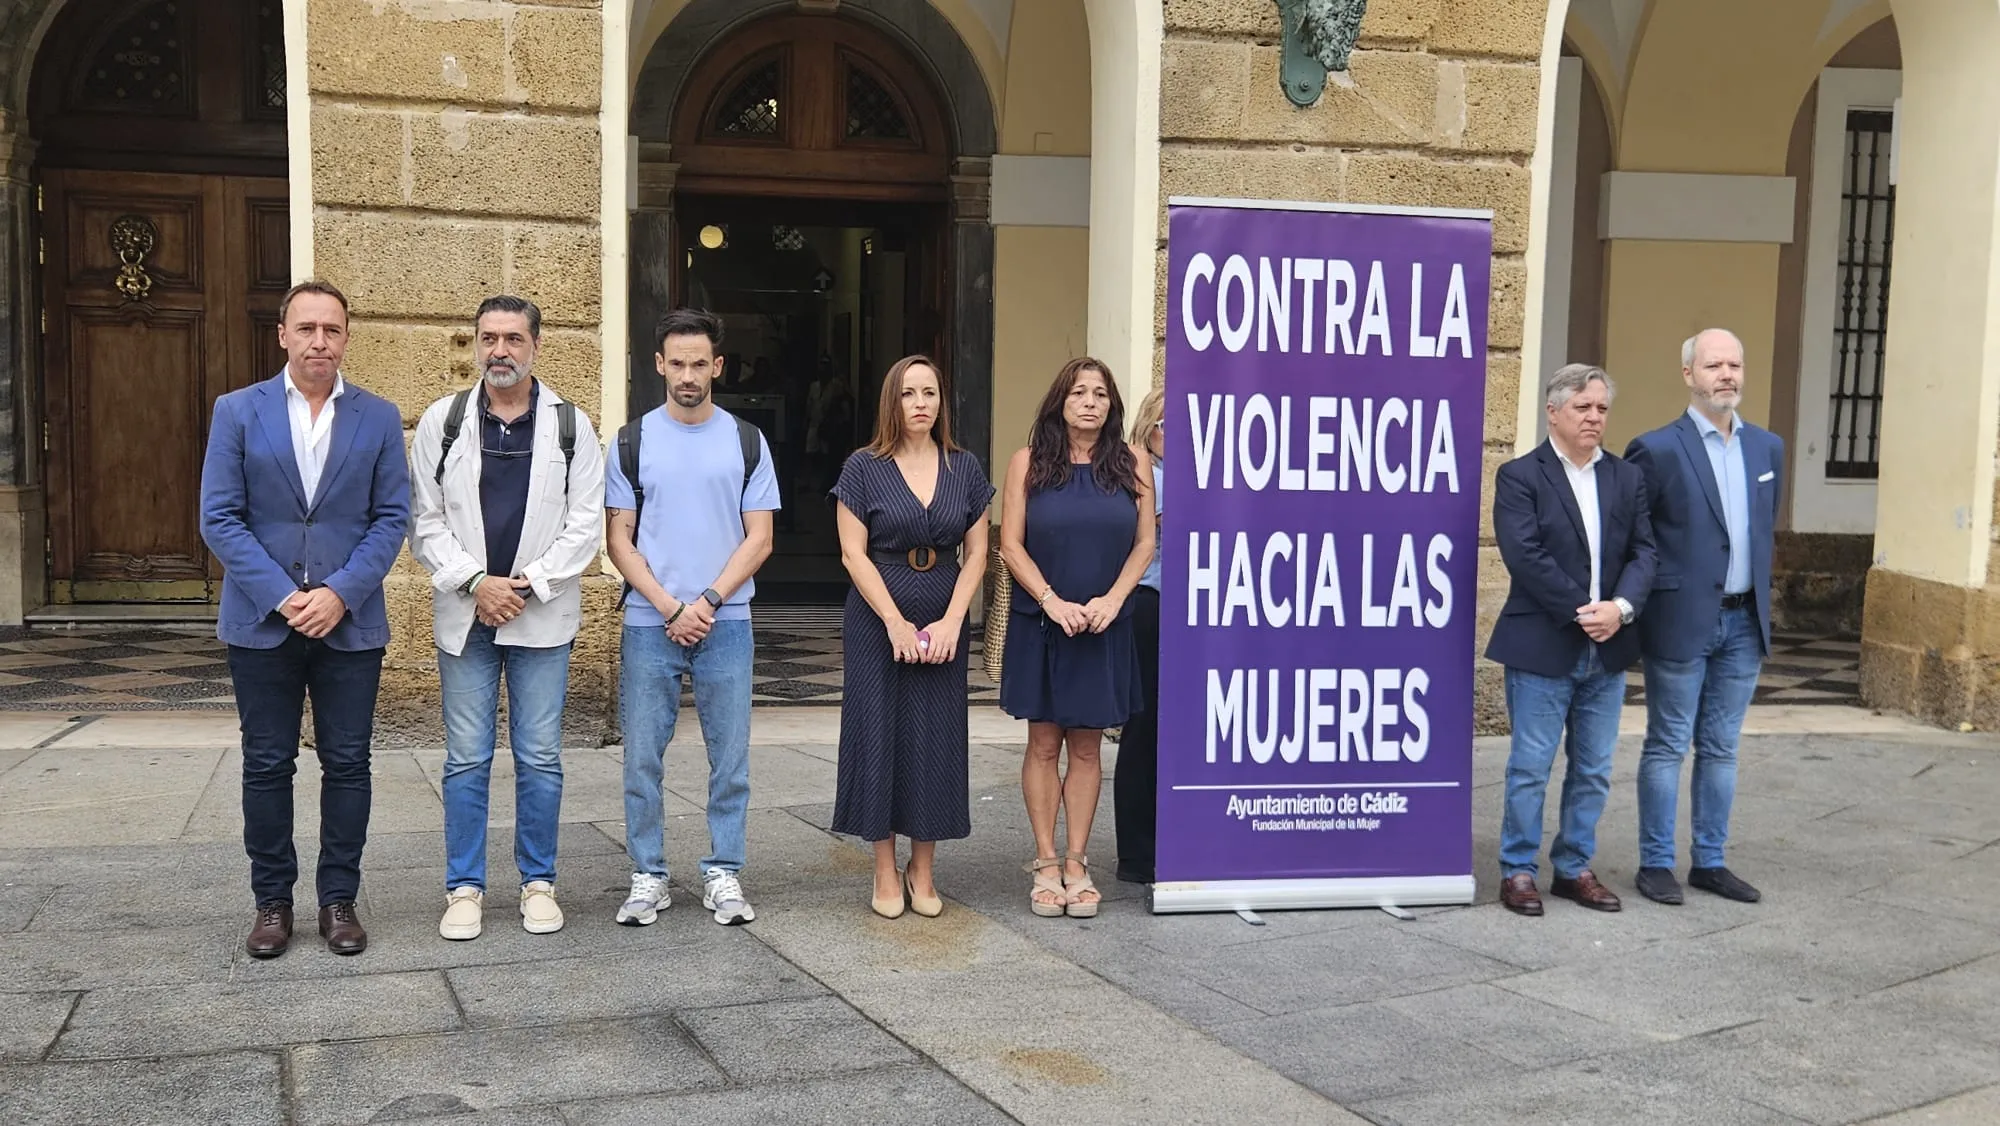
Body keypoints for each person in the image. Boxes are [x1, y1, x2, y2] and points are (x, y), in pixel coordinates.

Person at [198, 279, 410, 959]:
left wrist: (340, 593)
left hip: (349, 623)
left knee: (348, 762)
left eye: (333, 329)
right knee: (267, 763)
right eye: (307, 328)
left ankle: (338, 899)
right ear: (283, 334)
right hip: (263, 623)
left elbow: (391, 518)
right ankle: (272, 903)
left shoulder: (377, 417)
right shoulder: (237, 411)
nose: (321, 340)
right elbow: (219, 517)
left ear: (347, 338)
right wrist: (284, 596)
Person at [408, 295, 606, 941]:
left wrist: (525, 585)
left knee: (541, 757)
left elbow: (586, 524)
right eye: (489, 338)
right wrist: (476, 582)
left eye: (514, 339)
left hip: (539, 616)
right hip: (467, 616)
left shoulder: (571, 427)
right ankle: (464, 888)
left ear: (535, 347)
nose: (500, 350)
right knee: (466, 759)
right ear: (475, 344)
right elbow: (423, 519)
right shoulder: (443, 421)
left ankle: (538, 883)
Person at [606, 308, 780, 928]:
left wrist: (705, 602)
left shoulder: (746, 441)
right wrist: (670, 606)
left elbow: (759, 538)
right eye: (676, 363)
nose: (687, 374)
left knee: (729, 756)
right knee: (642, 758)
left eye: (698, 363)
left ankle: (722, 871)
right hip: (651, 624)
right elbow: (619, 541)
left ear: (718, 367)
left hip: (726, 621)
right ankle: (648, 874)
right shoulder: (630, 440)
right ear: (659, 364)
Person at [1486, 365, 1657, 917]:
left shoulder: (1626, 478)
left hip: (1608, 648)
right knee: (1531, 765)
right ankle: (1517, 870)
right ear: (1553, 411)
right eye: (1583, 407)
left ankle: (1574, 866)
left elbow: (1645, 553)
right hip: (1543, 645)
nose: (1594, 417)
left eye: (1602, 408)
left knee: (1593, 767)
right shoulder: (1520, 476)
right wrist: (1585, 612)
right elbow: (1524, 554)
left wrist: (1622, 609)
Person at [830, 356, 994, 919]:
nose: (920, 403)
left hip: (944, 606)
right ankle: (882, 866)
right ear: (891, 403)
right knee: (877, 732)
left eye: (929, 392)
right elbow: (853, 552)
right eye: (908, 393)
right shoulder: (863, 467)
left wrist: (953, 621)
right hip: (878, 614)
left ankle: (922, 867)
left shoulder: (965, 467)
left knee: (935, 737)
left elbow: (978, 551)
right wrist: (895, 621)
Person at [1624, 328, 1782, 906]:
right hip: (1681, 617)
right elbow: (1638, 536)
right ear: (1688, 373)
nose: (1727, 375)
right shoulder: (1657, 448)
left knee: (1721, 746)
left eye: (1735, 364)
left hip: (1744, 622)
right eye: (1714, 365)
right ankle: (1656, 862)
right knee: (1668, 743)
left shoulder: (1768, 448)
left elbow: (1762, 532)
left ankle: (1710, 861)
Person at [999, 358, 1154, 919]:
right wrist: (1051, 600)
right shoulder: (1027, 463)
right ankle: (1044, 862)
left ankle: (1077, 862)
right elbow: (1010, 544)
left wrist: (1113, 601)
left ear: (1111, 405)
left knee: (1087, 746)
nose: (1089, 401)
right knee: (1043, 742)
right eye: (1078, 392)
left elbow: (1144, 543)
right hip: (1043, 617)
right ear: (1059, 401)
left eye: (1100, 393)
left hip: (1104, 620)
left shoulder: (1133, 463)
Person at [1112, 387, 1166, 886]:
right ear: (1147, 430)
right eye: (1168, 426)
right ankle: (1136, 852)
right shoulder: (1144, 474)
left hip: (1200, 612)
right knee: (1144, 724)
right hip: (1150, 605)